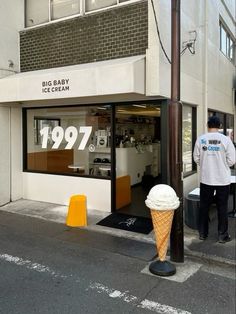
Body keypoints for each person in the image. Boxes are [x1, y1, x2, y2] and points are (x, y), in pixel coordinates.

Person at [193, 115, 236, 243]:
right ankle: (222, 236)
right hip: (222, 179)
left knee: (204, 206)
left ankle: (203, 234)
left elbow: (196, 158)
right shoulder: (226, 140)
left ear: (208, 125)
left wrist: (207, 164)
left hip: (206, 179)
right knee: (222, 207)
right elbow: (232, 160)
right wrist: (222, 165)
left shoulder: (201, 139)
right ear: (220, 127)